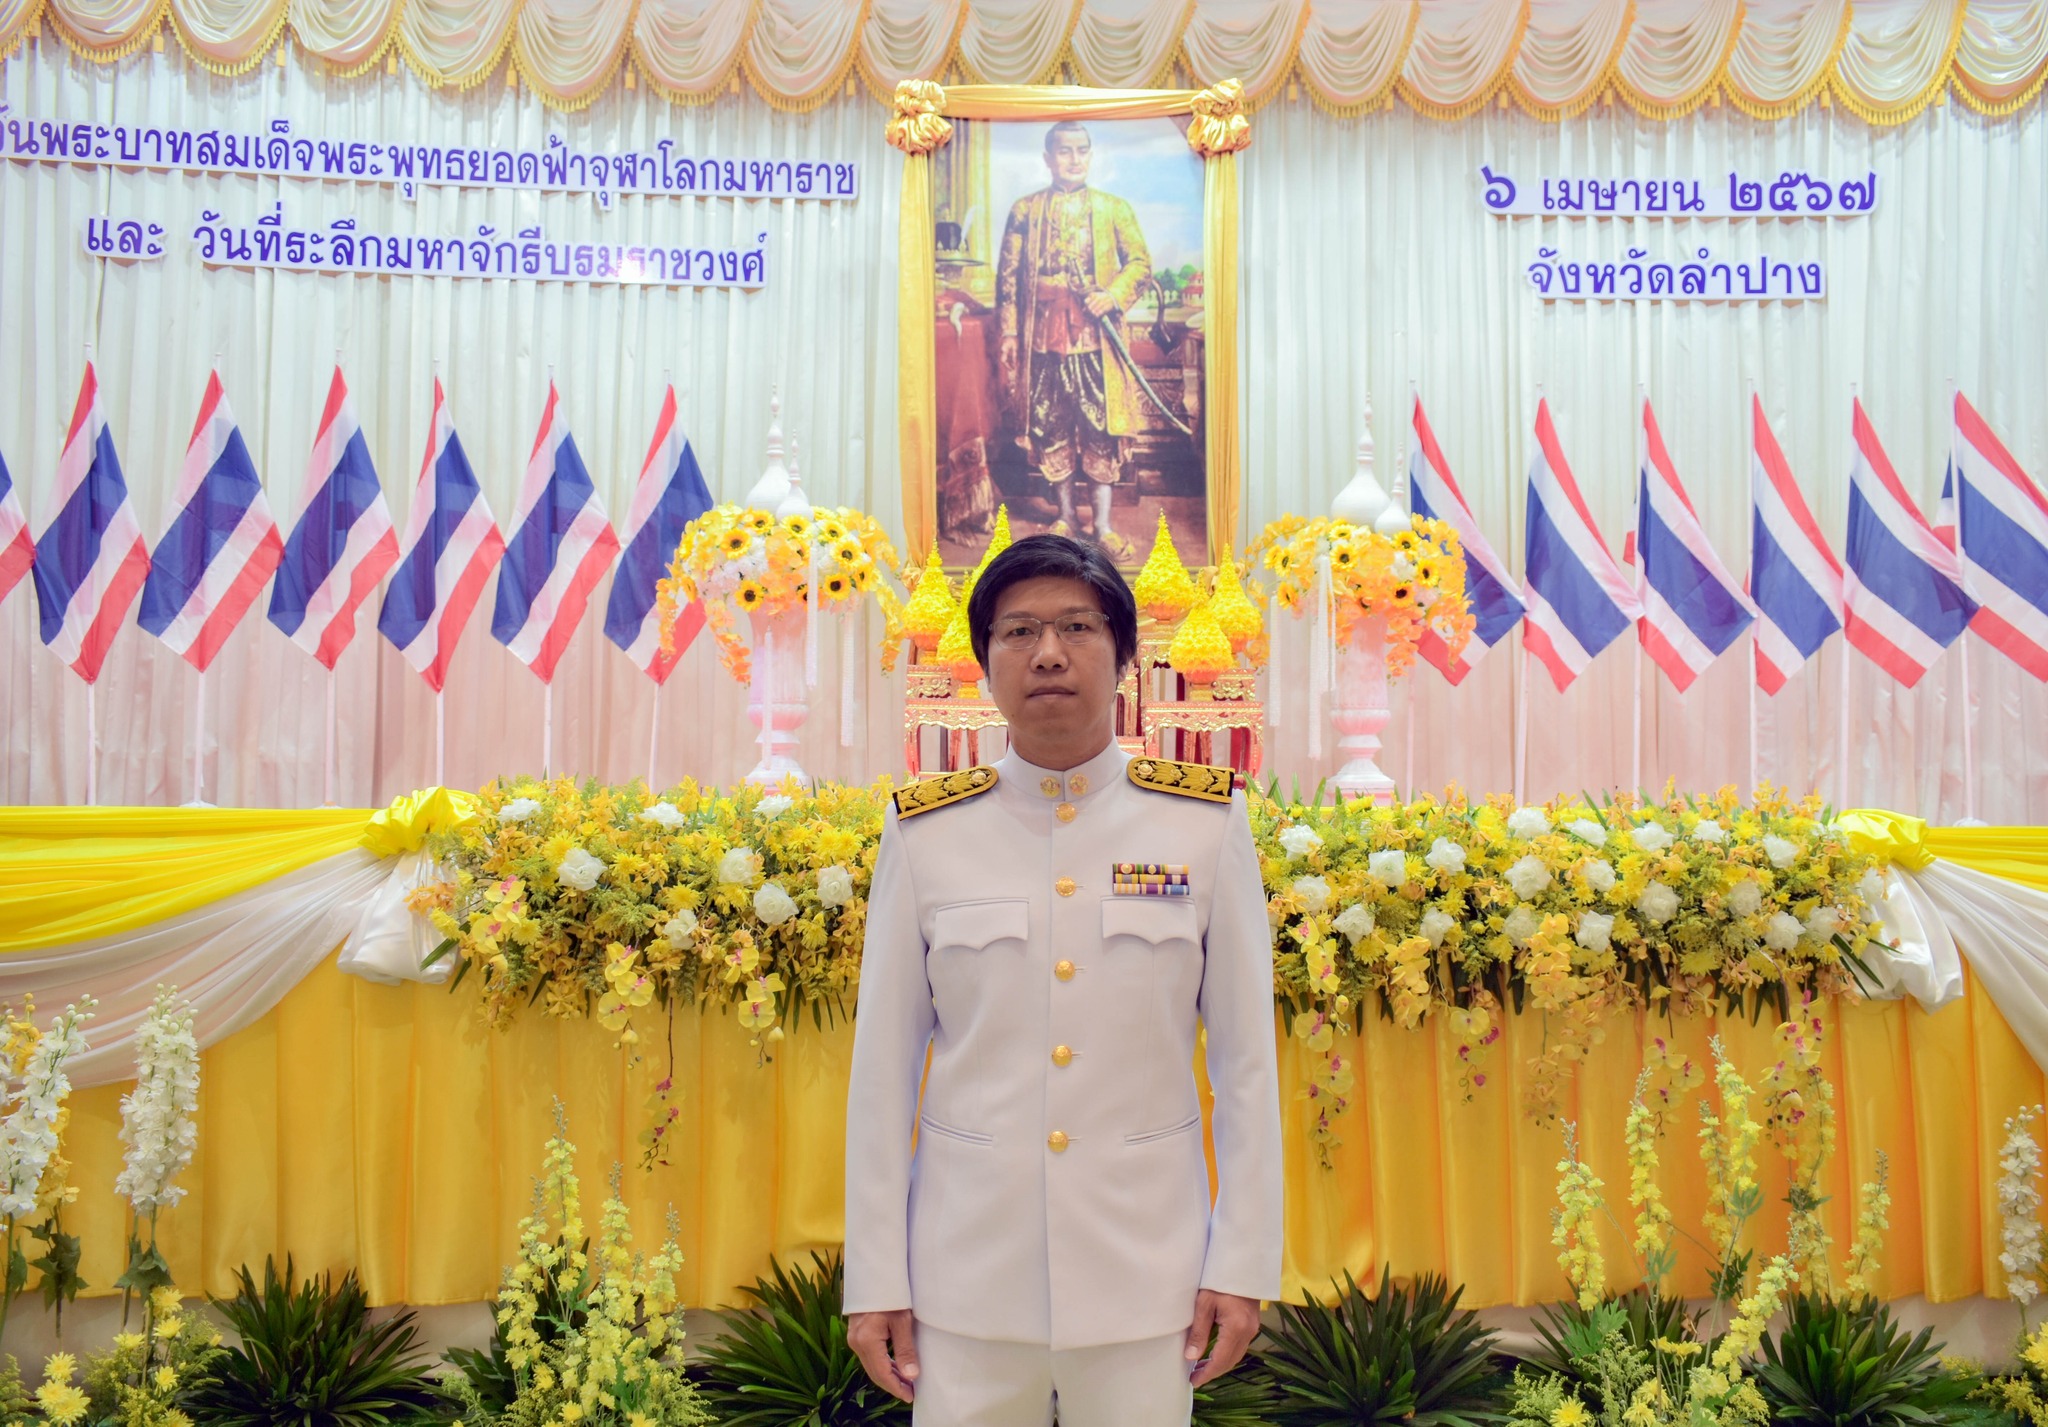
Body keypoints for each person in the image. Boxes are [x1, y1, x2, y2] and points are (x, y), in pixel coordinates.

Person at [843, 534, 1281, 1425]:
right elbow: (881, 1075)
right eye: (1019, 631)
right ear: (984, 662)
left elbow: (1246, 1066)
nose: (1049, 652)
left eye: (1078, 627)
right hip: (965, 1278)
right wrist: (877, 1276)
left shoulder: (1203, 823)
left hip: (1146, 1277)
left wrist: (1240, 1263)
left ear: (1125, 656)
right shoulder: (926, 833)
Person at [996, 122, 1152, 560]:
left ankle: (1102, 525)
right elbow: (1008, 279)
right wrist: (1009, 331)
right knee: (1052, 426)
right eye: (1064, 151)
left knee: (1100, 428)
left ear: (1091, 155)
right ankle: (1065, 516)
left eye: (1082, 150)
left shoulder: (1113, 209)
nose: (1074, 159)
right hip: (1042, 341)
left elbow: (1140, 264)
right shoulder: (1025, 211)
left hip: (1095, 342)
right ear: (1048, 158)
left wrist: (1113, 295)